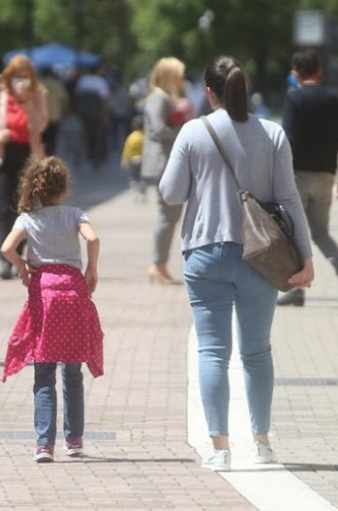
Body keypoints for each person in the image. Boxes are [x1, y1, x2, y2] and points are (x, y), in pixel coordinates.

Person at [160, 55, 314, 472]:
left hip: (205, 253)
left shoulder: (194, 132)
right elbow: (289, 198)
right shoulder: (273, 134)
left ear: (210, 93)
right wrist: (306, 257)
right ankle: (262, 442)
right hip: (261, 257)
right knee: (257, 352)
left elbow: (171, 192)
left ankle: (220, 448)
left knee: (212, 352)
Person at [0, 156, 103, 463]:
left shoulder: (27, 218)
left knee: (44, 371)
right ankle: (74, 440)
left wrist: (22, 267)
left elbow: (6, 248)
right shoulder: (74, 214)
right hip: (72, 292)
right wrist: (92, 270)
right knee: (72, 371)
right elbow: (93, 238)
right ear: (65, 187)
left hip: (43, 293)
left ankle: (44, 444)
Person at [277, 49, 338, 307]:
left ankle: (297, 290)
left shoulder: (294, 98)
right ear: (319, 71)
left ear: (294, 74)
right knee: (320, 231)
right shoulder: (337, 98)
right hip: (326, 174)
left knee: (293, 232)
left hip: (297, 175)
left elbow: (287, 138)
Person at [0, 55, 47, 279]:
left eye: (26, 77)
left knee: (26, 209)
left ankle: (20, 256)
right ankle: (5, 260)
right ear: (9, 77)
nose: (21, 81)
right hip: (4, 159)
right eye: (17, 77)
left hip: (29, 160)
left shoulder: (37, 97)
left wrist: (27, 102)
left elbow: (41, 125)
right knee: (2, 211)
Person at [142, 57, 187, 285]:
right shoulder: (158, 98)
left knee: (170, 215)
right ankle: (158, 265)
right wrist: (186, 128)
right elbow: (159, 130)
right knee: (167, 215)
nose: (182, 80)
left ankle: (160, 265)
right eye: (179, 75)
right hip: (162, 162)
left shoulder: (163, 97)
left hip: (166, 161)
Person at [75, 64, 111, 167]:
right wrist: (105, 115)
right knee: (97, 136)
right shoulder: (101, 82)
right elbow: (104, 101)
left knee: (83, 135)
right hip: (97, 113)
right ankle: (96, 160)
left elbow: (77, 97)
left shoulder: (83, 80)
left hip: (84, 113)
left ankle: (78, 157)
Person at [39, 67, 69, 157]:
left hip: (40, 119)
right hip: (54, 117)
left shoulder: (38, 85)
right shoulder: (58, 85)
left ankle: (42, 158)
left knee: (42, 140)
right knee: (52, 140)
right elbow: (65, 101)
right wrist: (63, 114)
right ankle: (50, 158)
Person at [121, 116, 146, 202]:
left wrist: (125, 159)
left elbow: (127, 149)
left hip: (133, 160)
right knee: (141, 178)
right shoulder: (143, 137)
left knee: (133, 178)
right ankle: (142, 194)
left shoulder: (130, 137)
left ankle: (135, 193)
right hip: (142, 160)